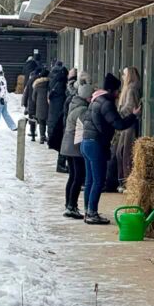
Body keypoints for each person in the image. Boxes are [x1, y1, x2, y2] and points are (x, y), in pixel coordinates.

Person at [80, 73, 140, 225]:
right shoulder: (106, 103)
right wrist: (133, 116)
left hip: (86, 143)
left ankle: (88, 210)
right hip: (95, 145)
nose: (119, 93)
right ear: (112, 90)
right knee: (99, 181)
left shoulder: (95, 100)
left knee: (90, 180)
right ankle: (92, 213)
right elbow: (118, 124)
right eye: (118, 90)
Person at [60, 77, 93, 219]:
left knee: (73, 176)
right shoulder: (83, 109)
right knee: (78, 177)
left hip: (68, 145)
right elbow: (87, 126)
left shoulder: (74, 104)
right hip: (75, 146)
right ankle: (72, 206)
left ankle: (69, 204)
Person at [114, 66, 142, 191]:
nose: (122, 77)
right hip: (125, 124)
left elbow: (131, 107)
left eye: (124, 74)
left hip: (128, 124)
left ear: (129, 76)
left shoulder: (131, 89)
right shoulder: (128, 89)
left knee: (125, 153)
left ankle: (126, 182)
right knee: (121, 153)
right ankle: (123, 181)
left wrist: (118, 113)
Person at [32, 68, 51, 143]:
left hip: (39, 106)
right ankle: (49, 137)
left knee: (41, 122)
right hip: (49, 106)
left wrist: (37, 102)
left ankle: (42, 137)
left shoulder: (37, 85)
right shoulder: (50, 84)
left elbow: (33, 97)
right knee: (49, 122)